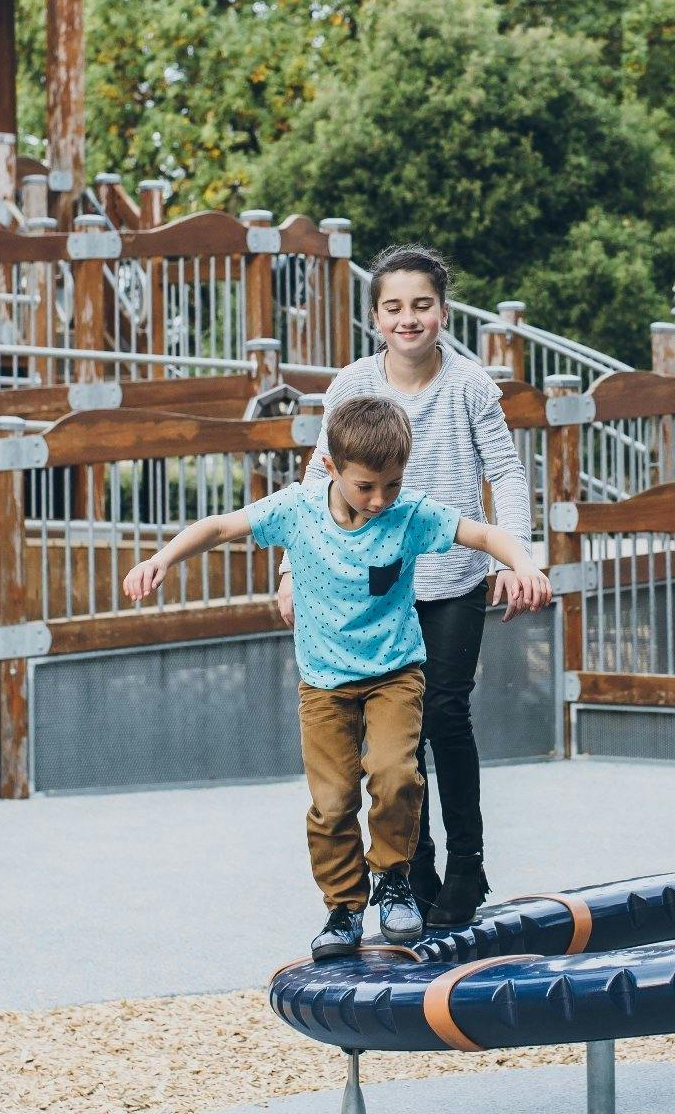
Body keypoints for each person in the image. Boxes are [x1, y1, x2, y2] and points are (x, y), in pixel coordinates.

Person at [124, 397, 549, 959]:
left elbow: (486, 535)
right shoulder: (297, 509)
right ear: (331, 468)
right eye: (366, 487)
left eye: (392, 485)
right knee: (332, 800)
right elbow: (222, 525)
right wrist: (163, 559)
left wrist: (523, 564)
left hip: (395, 674)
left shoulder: (408, 515)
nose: (380, 500)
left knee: (395, 773)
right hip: (324, 683)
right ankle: (344, 908)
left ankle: (393, 880)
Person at [277, 243, 541, 928]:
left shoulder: (470, 385)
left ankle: (468, 865)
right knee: (397, 738)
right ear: (376, 317)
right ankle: (409, 875)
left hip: (451, 576)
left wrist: (518, 557)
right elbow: (316, 481)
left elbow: (506, 476)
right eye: (394, 306)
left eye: (421, 305)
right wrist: (290, 571)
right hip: (371, 585)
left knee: (446, 714)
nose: (409, 318)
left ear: (443, 311)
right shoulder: (352, 386)